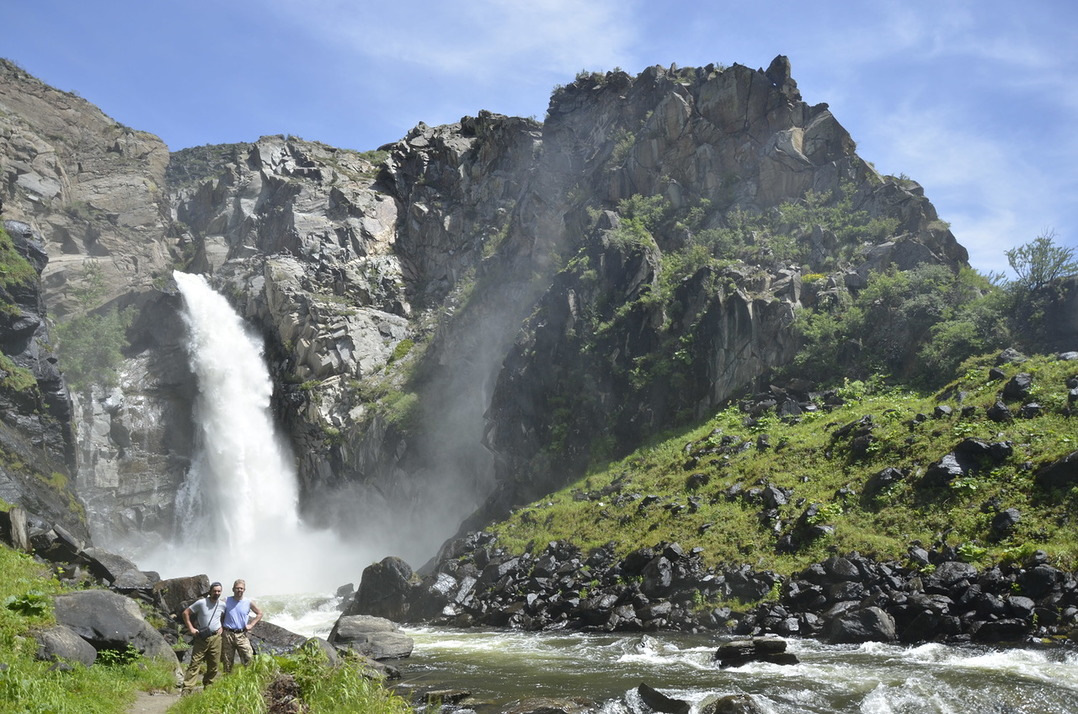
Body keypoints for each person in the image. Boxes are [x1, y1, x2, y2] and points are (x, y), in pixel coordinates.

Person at [181, 581, 225, 693]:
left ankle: (209, 688)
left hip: (216, 638)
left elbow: (226, 616)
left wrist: (222, 627)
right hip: (201, 637)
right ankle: (187, 689)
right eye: (214, 591)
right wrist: (191, 628)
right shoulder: (201, 603)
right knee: (195, 663)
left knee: (214, 664)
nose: (217, 593)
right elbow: (186, 613)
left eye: (219, 591)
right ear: (210, 591)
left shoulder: (222, 605)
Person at [221, 578, 263, 673]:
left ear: (244, 590)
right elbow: (216, 609)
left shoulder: (248, 602)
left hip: (241, 634)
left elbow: (260, 613)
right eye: (237, 588)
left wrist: (251, 624)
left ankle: (248, 677)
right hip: (227, 634)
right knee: (227, 660)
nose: (239, 590)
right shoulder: (226, 600)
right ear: (233, 589)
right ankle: (227, 680)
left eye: (241, 588)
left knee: (248, 656)